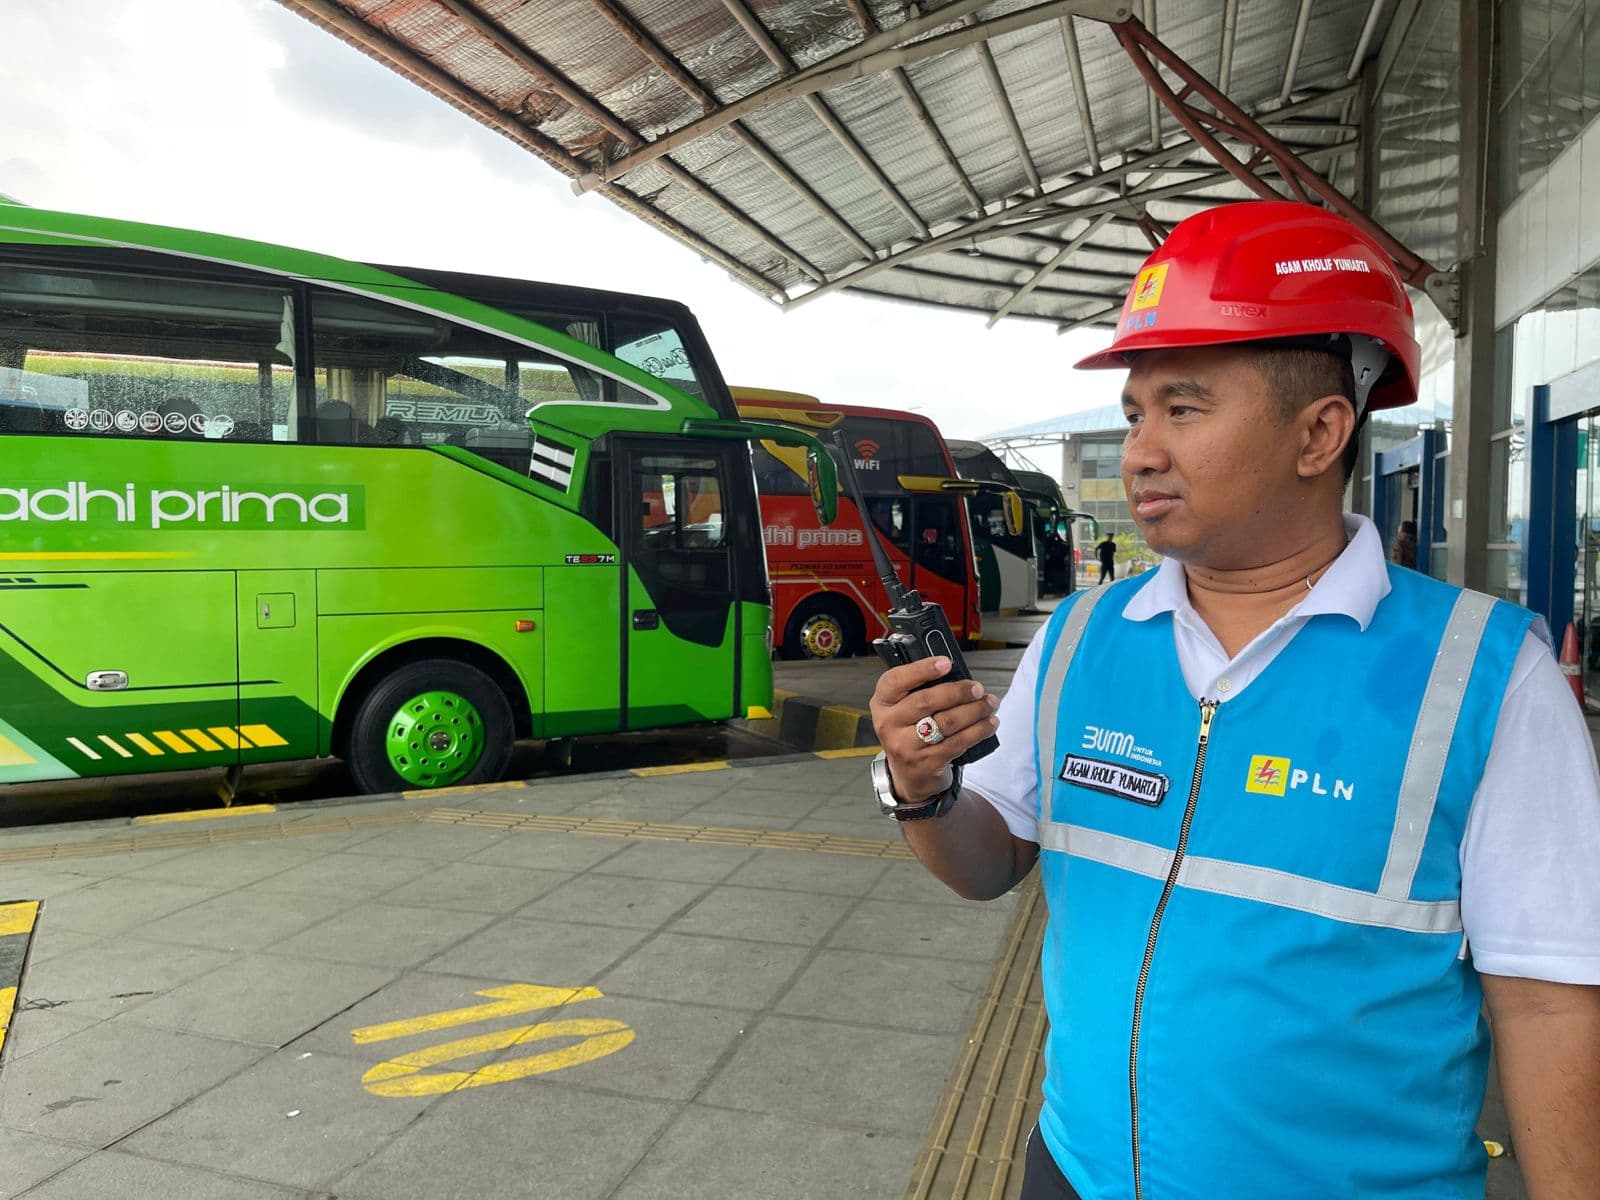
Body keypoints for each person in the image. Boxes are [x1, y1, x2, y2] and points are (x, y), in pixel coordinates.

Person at [867, 200, 1600, 1199]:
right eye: (1133, 415)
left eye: (1184, 408)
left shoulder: (1484, 677)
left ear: (1318, 433)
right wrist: (922, 790)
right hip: (1072, 1174)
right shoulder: (1081, 637)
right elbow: (987, 862)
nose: (1138, 452)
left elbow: (1550, 1007)